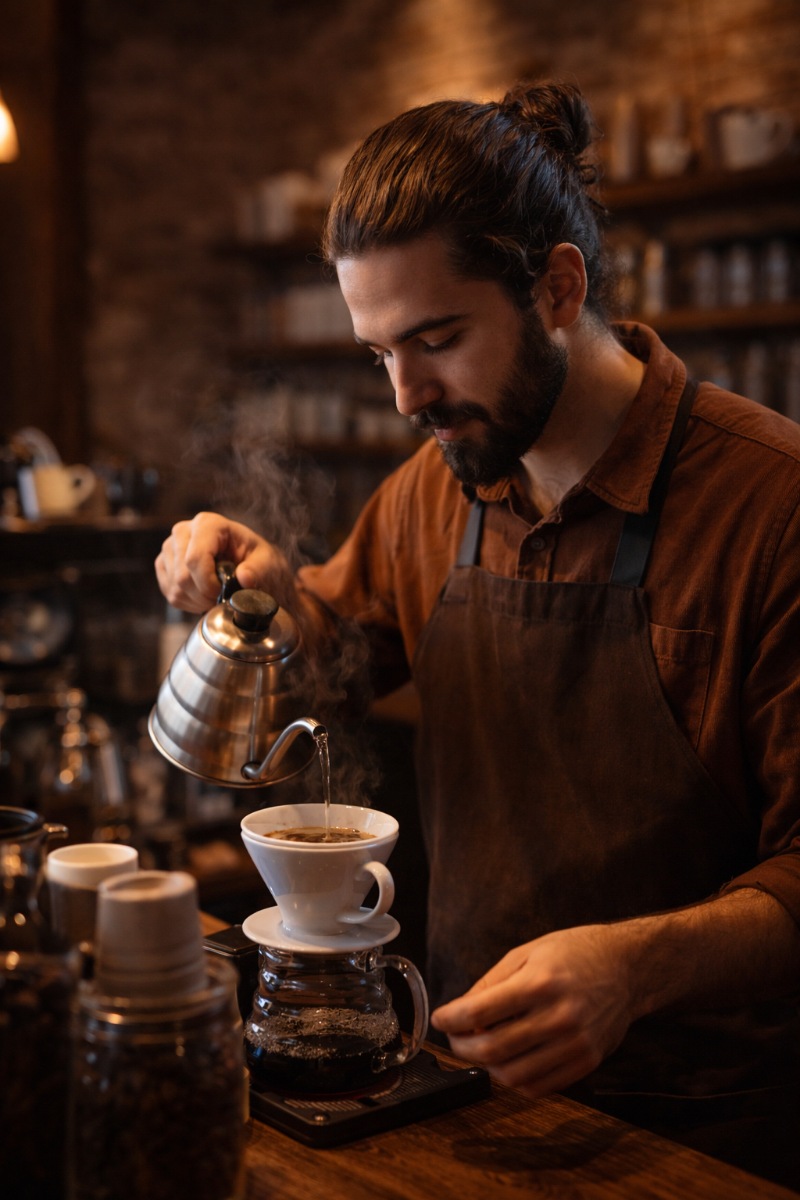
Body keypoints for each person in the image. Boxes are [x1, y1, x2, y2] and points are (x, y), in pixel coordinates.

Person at [156, 82, 800, 1185]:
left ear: (556, 286)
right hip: (454, 1094)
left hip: (705, 1135)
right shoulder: (430, 491)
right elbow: (339, 660)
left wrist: (632, 970)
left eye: (436, 340)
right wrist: (264, 589)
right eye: (377, 355)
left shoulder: (767, 506)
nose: (405, 394)